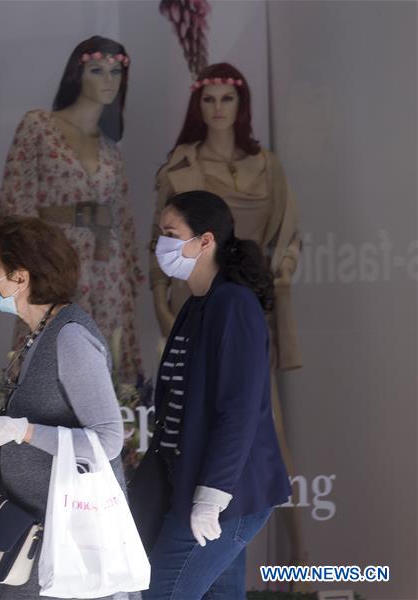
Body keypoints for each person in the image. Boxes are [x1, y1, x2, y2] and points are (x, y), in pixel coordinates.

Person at [147, 62, 305, 567]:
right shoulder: (180, 165)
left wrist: (273, 283)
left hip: (245, 300)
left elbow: (290, 236)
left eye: (227, 99)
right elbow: (159, 253)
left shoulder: (267, 166)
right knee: (194, 415)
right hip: (194, 302)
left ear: (242, 106)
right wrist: (165, 311)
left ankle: (298, 561)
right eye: (208, 99)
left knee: (256, 421)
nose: (218, 109)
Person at [0, 214, 136, 600]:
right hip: (31, 535)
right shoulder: (39, 334)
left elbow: (107, 441)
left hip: (68, 542)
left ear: (20, 278)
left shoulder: (69, 337)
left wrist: (21, 431)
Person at [142, 190, 292, 599]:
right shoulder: (199, 304)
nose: (162, 244)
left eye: (171, 233)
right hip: (194, 488)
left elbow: (239, 412)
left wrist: (211, 497)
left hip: (225, 496)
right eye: (160, 234)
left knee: (161, 591)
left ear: (205, 241)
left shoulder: (233, 305)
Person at [0, 35, 143, 381]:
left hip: (108, 272)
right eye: (97, 70)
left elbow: (123, 216)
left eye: (115, 72)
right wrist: (25, 266)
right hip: (56, 261)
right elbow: (16, 201)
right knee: (49, 357)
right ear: (78, 75)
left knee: (109, 360)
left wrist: (133, 273)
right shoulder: (39, 127)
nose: (108, 80)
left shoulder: (110, 148)